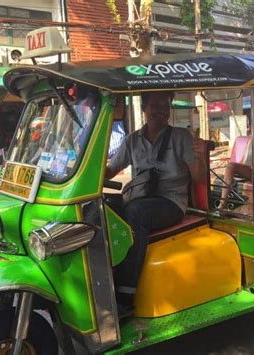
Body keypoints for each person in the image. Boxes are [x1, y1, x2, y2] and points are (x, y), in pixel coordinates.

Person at [105, 91, 205, 317]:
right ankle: (106, 278)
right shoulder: (132, 140)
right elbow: (111, 170)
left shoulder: (180, 137)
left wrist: (199, 155)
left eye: (164, 105)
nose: (160, 110)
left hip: (170, 203)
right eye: (154, 105)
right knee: (105, 207)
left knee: (136, 212)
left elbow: (198, 177)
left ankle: (126, 296)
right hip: (140, 198)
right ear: (144, 108)